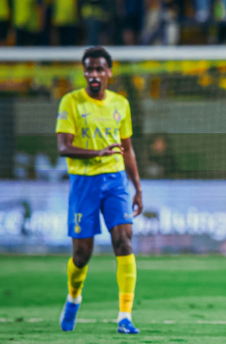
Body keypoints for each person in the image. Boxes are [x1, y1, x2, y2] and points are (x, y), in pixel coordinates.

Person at [56, 47, 143, 334]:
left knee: (123, 241)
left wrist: (138, 188)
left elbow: (127, 149)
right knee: (82, 255)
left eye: (99, 69)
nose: (93, 75)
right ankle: (73, 297)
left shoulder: (121, 104)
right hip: (84, 183)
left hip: (115, 180)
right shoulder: (71, 102)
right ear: (84, 73)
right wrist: (96, 151)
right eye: (88, 69)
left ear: (109, 73)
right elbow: (63, 146)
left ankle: (125, 316)